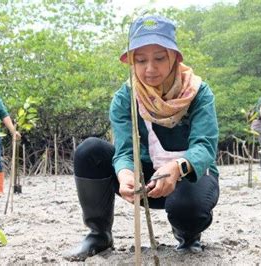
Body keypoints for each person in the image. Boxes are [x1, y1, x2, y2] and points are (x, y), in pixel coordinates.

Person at [63, 15, 220, 261]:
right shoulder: (125, 97)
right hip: (146, 182)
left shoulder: (199, 92)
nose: (150, 68)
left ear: (174, 57)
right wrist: (126, 174)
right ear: (131, 62)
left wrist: (176, 168)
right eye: (140, 60)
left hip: (187, 177)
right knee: (89, 150)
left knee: (187, 208)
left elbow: (205, 146)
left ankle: (187, 235)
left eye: (159, 58)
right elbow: (124, 150)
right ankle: (99, 234)